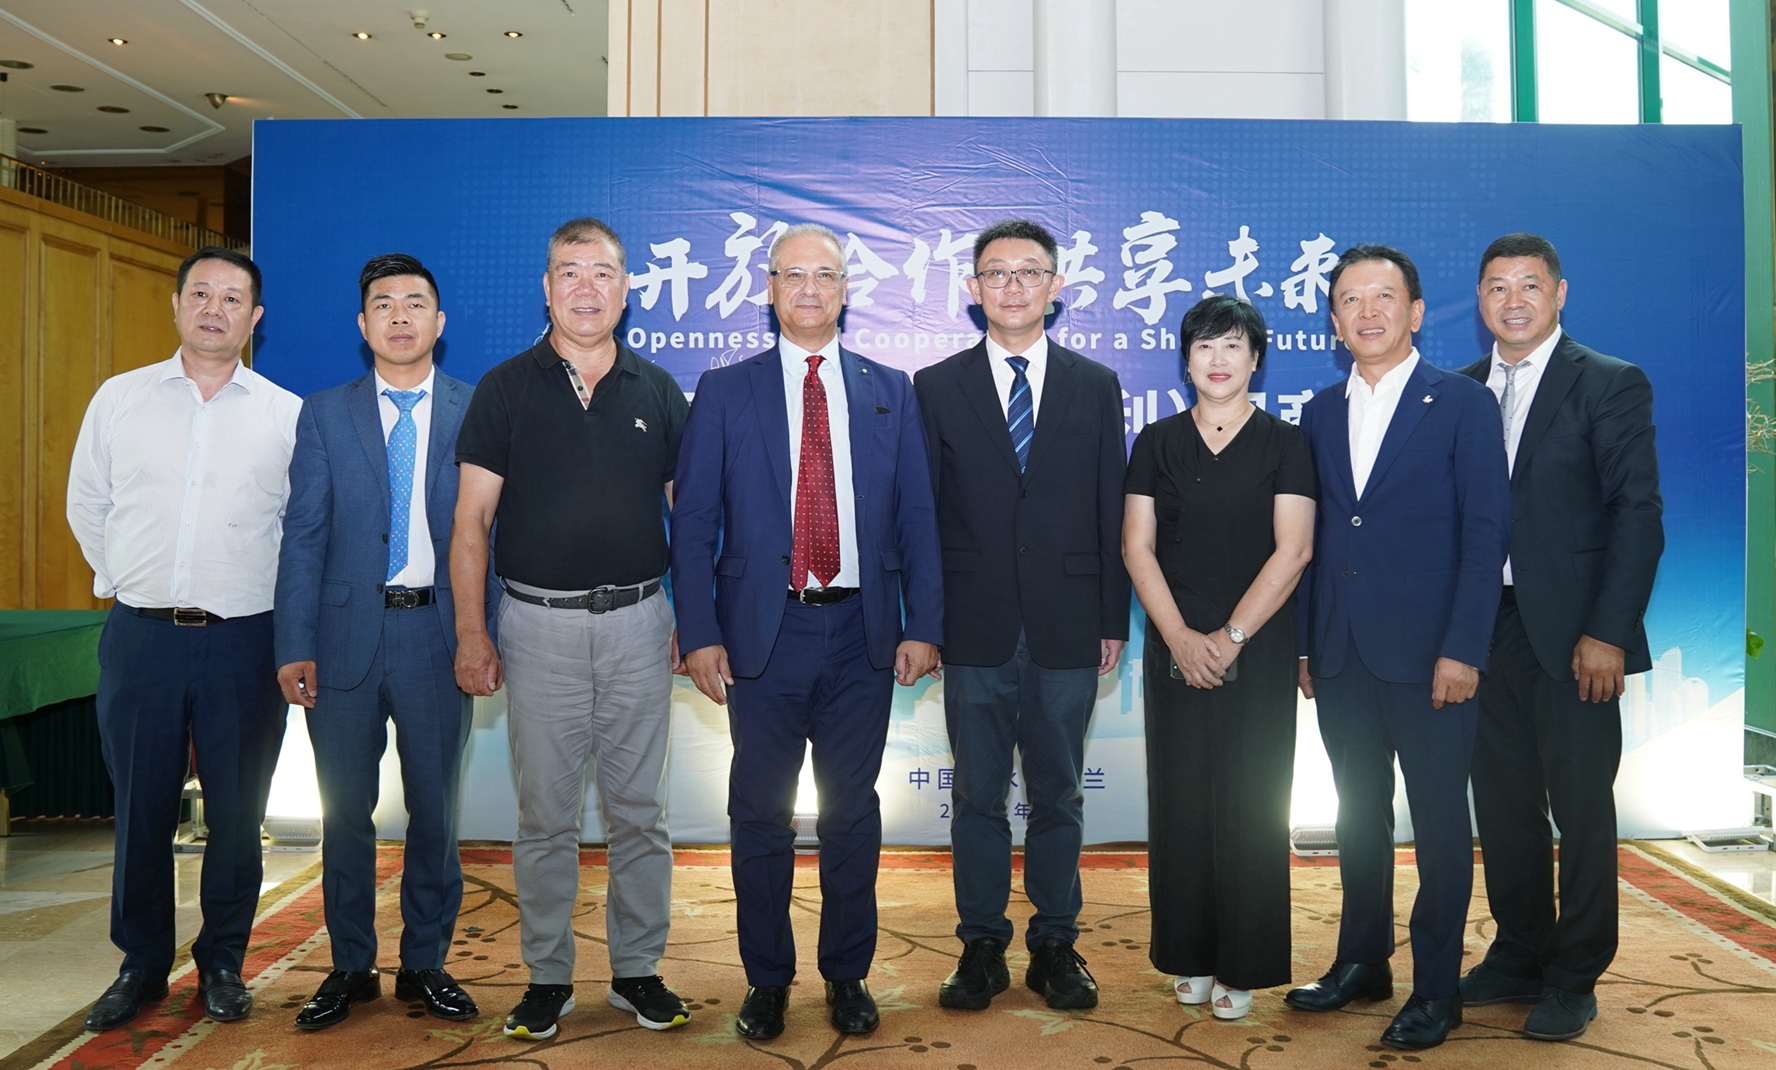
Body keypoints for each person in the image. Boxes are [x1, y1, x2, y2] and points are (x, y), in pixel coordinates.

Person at [670, 223, 943, 1041]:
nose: (811, 289)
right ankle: (767, 979)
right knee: (759, 815)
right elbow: (693, 523)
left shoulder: (890, 388)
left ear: (846, 289)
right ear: (770, 289)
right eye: (794, 275)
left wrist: (924, 623)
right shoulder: (726, 390)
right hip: (763, 633)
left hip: (863, 631)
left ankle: (847, 974)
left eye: (826, 275)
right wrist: (698, 631)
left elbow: (919, 517)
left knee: (852, 813)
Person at [451, 217, 690, 1041]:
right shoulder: (504, 388)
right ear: (546, 288)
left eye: (603, 273)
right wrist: (472, 633)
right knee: (545, 817)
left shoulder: (658, 390)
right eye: (570, 272)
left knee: (640, 813)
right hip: (536, 628)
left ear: (626, 290)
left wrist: (694, 620)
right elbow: (471, 523)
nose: (587, 288)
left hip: (639, 624)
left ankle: (638, 970)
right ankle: (547, 976)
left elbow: (689, 518)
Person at [67, 246, 300, 1030]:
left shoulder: (283, 414)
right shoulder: (120, 399)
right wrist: (126, 580)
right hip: (143, 637)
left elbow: (298, 531)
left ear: (254, 318)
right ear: (175, 305)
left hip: (245, 641)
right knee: (140, 807)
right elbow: (87, 503)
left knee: (237, 812)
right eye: (200, 293)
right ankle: (140, 965)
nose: (213, 309)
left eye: (232, 298)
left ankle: (223, 962)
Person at [1284, 245, 1510, 1051]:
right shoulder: (1318, 411)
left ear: (1415, 312)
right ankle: (1361, 961)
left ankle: (1438, 990)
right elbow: (1312, 536)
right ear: (1334, 320)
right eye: (1351, 299)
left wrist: (1465, 647)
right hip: (1341, 653)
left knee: (1442, 827)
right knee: (1357, 816)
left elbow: (1486, 534)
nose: (1368, 311)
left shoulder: (1463, 402)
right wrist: (1306, 645)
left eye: (1384, 296)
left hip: (1433, 658)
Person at [275, 254, 497, 1030]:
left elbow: (495, 532)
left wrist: (486, 635)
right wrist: (293, 641)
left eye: (415, 302)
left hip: (439, 635)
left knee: (436, 812)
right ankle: (350, 966)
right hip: (342, 640)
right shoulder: (324, 414)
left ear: (440, 322)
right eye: (383, 304)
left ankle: (425, 964)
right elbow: (303, 534)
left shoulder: (479, 408)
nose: (399, 315)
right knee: (346, 815)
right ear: (362, 324)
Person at [911, 219, 1128, 1013]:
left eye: (1029, 272)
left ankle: (1055, 943)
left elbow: (1111, 507)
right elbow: (922, 515)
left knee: (1058, 793)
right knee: (977, 795)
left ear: (1056, 286)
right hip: (974, 624)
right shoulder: (936, 386)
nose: (1012, 286)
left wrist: (1112, 617)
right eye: (996, 273)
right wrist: (925, 622)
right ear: (973, 289)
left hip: (1070, 620)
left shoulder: (1095, 384)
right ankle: (980, 945)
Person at [1456, 233, 1663, 1042]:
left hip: (1577, 637)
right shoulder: (1460, 391)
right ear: (1479, 299)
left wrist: (1608, 632)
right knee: (1503, 805)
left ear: (1560, 293)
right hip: (1485, 631)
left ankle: (1576, 975)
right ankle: (1519, 953)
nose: (1513, 301)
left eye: (1530, 285)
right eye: (1497, 286)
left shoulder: (1608, 382)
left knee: (1580, 811)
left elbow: (1636, 513)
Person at [1122, 294, 1315, 1020]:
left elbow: (1294, 549)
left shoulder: (1286, 443)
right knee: (1181, 801)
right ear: (1186, 360)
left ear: (1256, 358)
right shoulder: (1156, 442)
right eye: (1204, 345)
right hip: (1174, 646)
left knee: (1251, 801)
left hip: (1258, 650)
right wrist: (1179, 637)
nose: (1218, 359)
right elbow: (1136, 546)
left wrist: (1231, 637)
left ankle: (1245, 961)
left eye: (1233, 345)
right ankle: (1190, 953)